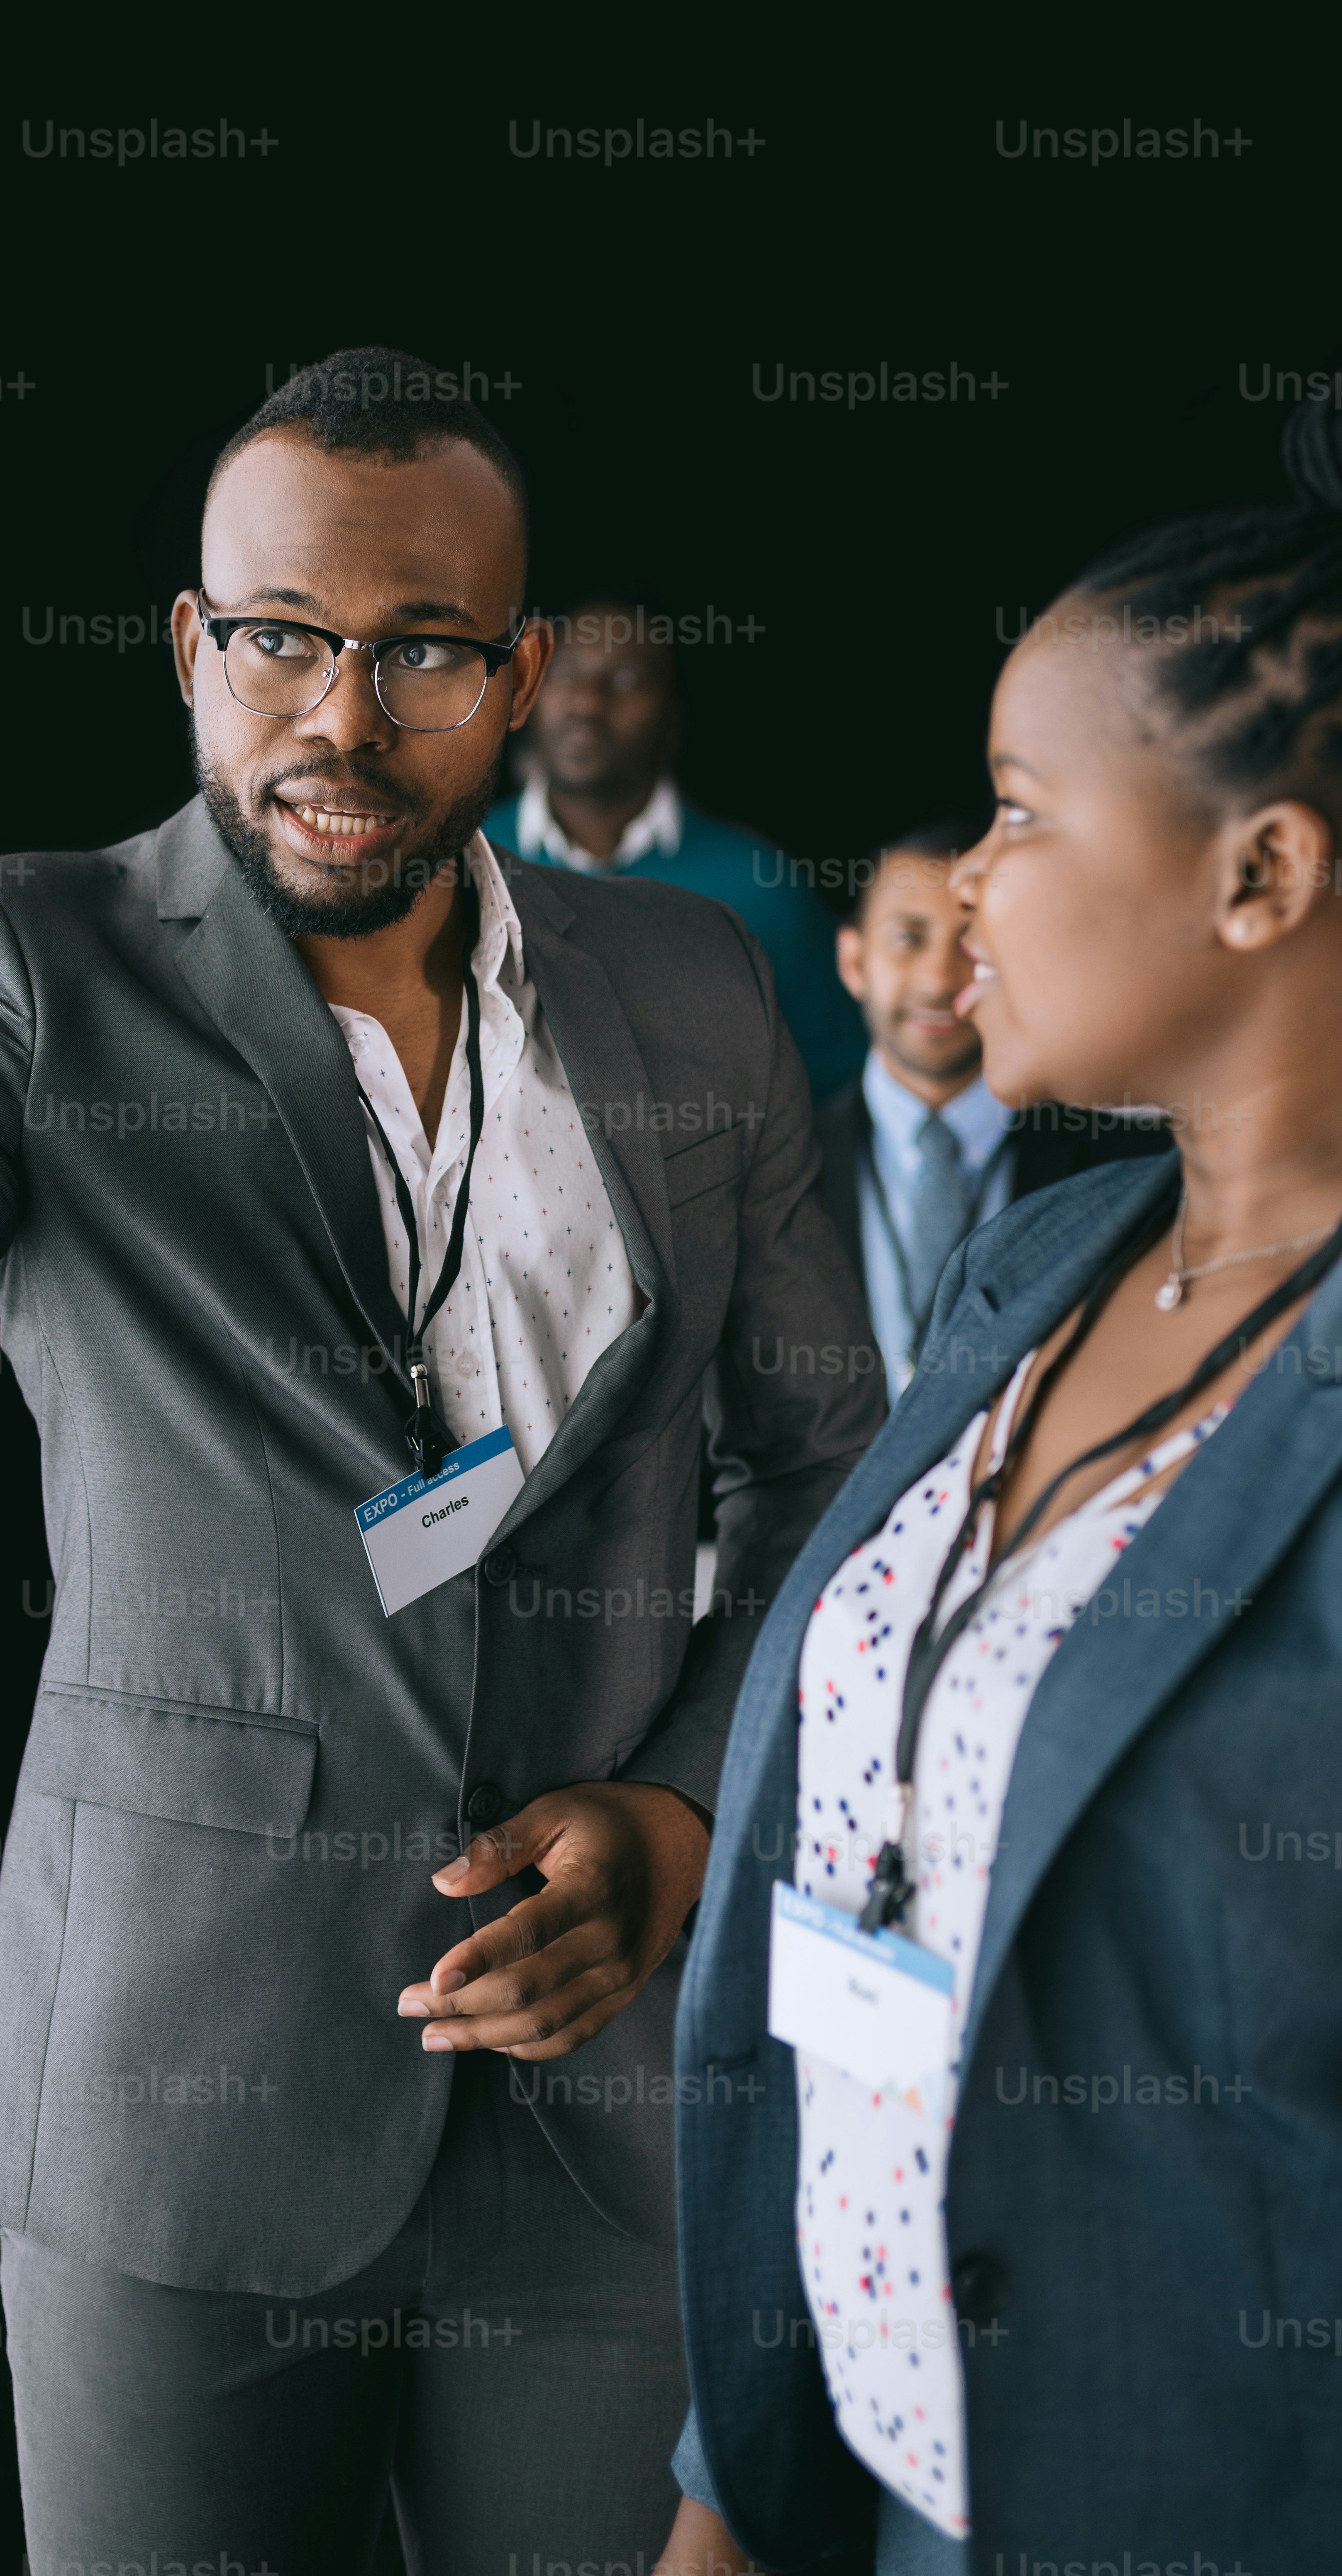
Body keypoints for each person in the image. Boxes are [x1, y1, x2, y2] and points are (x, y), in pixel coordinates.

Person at [0, 349, 878, 2576]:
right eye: (281, 636)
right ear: (196, 650)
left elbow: (824, 1472)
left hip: (603, 2100)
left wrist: (675, 1815)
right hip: (181, 2101)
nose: (340, 711)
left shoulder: (693, 983)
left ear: (520, 673)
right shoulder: (34, 960)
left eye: (417, 651)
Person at [654, 403, 1342, 2576]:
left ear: (1263, 871)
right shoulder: (1045, 1253)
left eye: (1025, 811)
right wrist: (725, 2473)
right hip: (848, 2465)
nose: (960, 884)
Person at [817, 822, 1171, 1392]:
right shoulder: (774, 1165)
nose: (938, 979)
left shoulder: (1125, 1162)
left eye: (968, 943)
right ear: (853, 962)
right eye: (908, 937)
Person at [485, 599, 864, 1096]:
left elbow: (836, 1075)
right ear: (529, 691)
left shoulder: (759, 882)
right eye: (568, 674)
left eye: (626, 683)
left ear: (672, 718)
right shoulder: (468, 859)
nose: (588, 704)